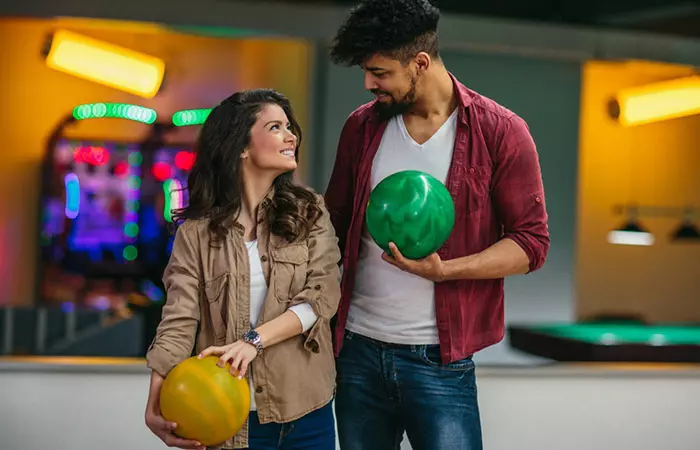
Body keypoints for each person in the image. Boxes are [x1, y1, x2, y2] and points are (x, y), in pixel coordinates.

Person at [325, 1, 550, 449]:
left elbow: (531, 244)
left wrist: (446, 270)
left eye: (380, 72)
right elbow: (332, 224)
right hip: (356, 352)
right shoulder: (360, 128)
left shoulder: (501, 131)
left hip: (440, 363)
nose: (370, 84)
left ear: (420, 63)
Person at [144, 89, 341, 450]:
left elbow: (323, 296)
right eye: (275, 127)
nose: (291, 136)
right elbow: (179, 318)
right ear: (242, 146)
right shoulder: (195, 234)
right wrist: (156, 400)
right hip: (229, 422)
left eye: (289, 126)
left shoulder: (309, 211)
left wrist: (253, 341)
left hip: (307, 413)